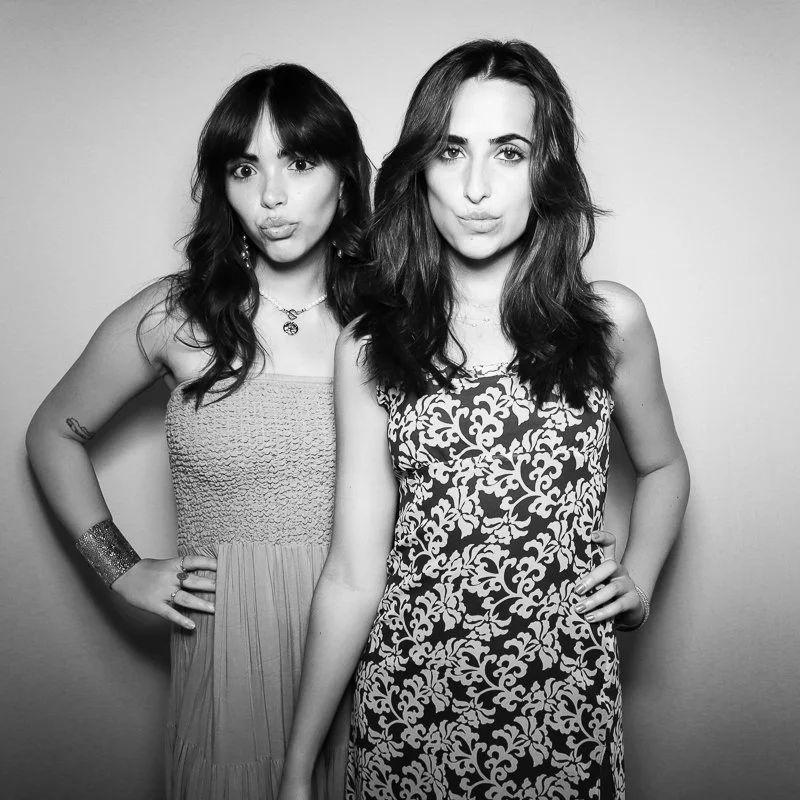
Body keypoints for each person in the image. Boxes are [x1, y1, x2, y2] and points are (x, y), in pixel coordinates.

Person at [278, 40, 690, 800]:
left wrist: (641, 576)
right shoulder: (371, 345)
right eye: (449, 150)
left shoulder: (609, 323)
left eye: (508, 151)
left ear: (547, 168)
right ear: (419, 171)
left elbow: (665, 467)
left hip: (563, 707)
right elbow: (352, 571)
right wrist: (299, 765)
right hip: (407, 709)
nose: (475, 186)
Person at [26, 63, 371, 799]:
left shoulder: (397, 323)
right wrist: (119, 567)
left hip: (376, 639)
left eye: (300, 163)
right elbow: (52, 432)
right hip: (230, 649)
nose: (272, 197)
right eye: (246, 168)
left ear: (345, 178)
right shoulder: (175, 315)